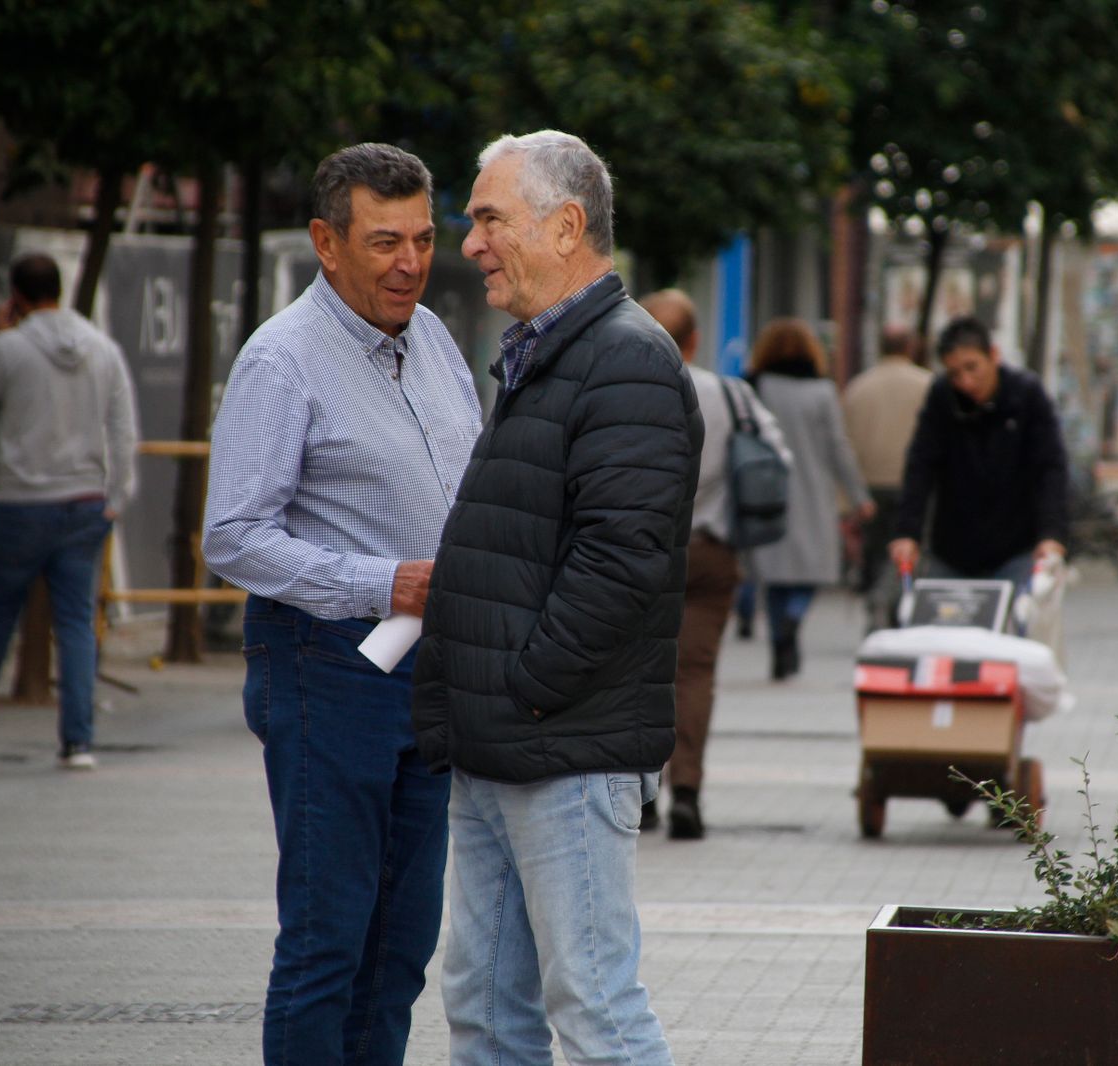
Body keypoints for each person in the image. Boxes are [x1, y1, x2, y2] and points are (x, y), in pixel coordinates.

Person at [413, 130, 700, 1065]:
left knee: (596, 1011)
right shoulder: (547, 352)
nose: (469, 244)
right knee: (487, 1014)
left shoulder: (625, 359)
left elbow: (622, 561)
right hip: (504, 741)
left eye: (489, 218)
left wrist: (524, 684)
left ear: (566, 225)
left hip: (561, 744)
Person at [202, 143, 480, 1066]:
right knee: (328, 944)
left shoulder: (434, 340)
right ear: (326, 242)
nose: (411, 262)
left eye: (426, 239)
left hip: (427, 674)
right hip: (327, 669)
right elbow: (232, 535)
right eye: (383, 242)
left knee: (400, 949)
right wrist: (383, 581)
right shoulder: (282, 360)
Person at [0, 253, 138, 771]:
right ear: (59, 290)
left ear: (16, 296)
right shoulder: (101, 347)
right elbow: (122, 427)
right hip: (85, 502)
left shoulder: (9, 347)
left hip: (22, 504)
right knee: (77, 623)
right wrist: (116, 497)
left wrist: (0, 334)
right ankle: (78, 741)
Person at [638, 287, 789, 839]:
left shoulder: (625, 391)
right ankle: (690, 796)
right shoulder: (729, 395)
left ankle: (643, 794)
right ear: (695, 340)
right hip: (711, 551)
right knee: (695, 674)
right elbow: (777, 456)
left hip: (638, 553)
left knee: (637, 670)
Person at [888, 316, 1067, 598]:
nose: (966, 382)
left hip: (1015, 547)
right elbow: (921, 464)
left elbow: (1050, 467)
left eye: (972, 367)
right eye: (955, 374)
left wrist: (1051, 534)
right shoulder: (942, 397)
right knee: (941, 632)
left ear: (993, 355)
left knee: (1013, 631)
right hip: (954, 549)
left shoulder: (1027, 394)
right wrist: (907, 531)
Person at [748, 319, 873, 679]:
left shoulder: (757, 387)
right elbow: (838, 447)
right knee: (813, 572)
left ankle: (777, 640)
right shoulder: (822, 391)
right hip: (814, 491)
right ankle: (794, 618)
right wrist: (858, 494)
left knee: (773, 575)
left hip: (767, 491)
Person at [842, 325, 933, 630]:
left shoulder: (858, 387)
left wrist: (847, 500)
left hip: (870, 486)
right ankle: (893, 605)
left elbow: (847, 443)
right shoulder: (928, 384)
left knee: (877, 550)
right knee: (908, 549)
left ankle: (878, 601)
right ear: (910, 347)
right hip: (913, 486)